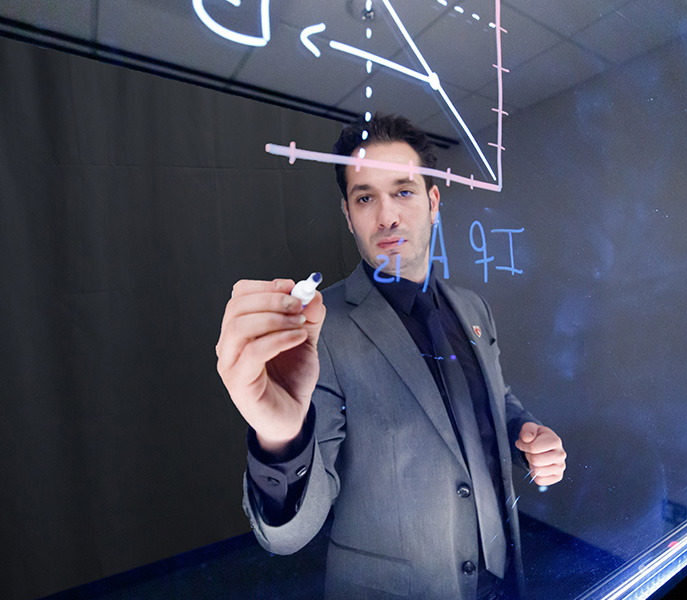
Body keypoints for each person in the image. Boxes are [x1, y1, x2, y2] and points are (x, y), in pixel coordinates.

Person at [215, 115, 566, 600]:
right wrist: (280, 437)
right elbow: (289, 536)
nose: (386, 217)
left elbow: (496, 397)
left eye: (403, 191)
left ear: (433, 201)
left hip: (506, 575)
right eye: (365, 198)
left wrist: (525, 431)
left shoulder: (472, 307)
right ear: (347, 213)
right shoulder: (319, 329)